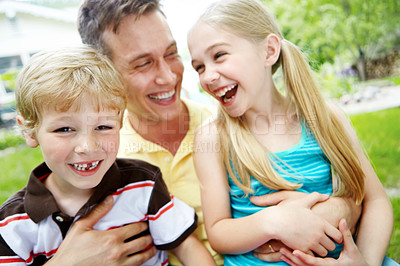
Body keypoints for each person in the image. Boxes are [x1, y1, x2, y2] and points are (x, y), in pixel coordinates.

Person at [46, 0, 372, 265]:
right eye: (143, 63)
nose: (169, 75)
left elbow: (357, 190)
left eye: (172, 54)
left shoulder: (229, 122)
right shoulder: (96, 157)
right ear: (108, 73)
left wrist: (341, 209)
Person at [187, 0, 394, 265]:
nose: (207, 77)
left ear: (269, 51)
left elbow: (374, 200)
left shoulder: (325, 118)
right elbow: (218, 231)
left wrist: (365, 261)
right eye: (199, 67)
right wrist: (274, 221)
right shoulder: (213, 137)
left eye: (218, 56)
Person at [0, 46, 215, 266]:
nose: (87, 146)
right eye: (64, 129)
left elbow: (187, 247)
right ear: (28, 130)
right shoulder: (11, 224)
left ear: (120, 122)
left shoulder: (143, 183)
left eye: (103, 126)